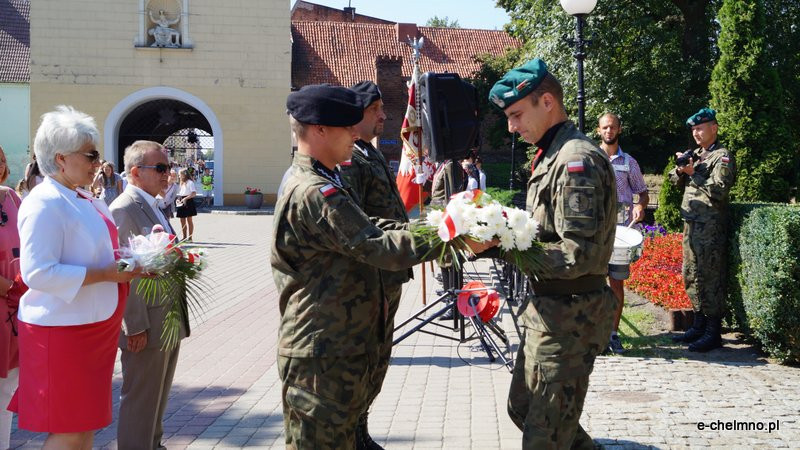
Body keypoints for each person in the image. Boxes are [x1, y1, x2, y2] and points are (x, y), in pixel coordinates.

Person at [272, 84, 494, 449]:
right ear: (319, 130)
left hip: (337, 341)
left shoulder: (327, 179)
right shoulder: (313, 191)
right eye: (345, 126)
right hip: (320, 350)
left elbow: (376, 226)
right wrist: (449, 240)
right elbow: (373, 244)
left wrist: (444, 226)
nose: (353, 132)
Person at [489, 59, 617, 448]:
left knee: (544, 436)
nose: (511, 127)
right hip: (549, 312)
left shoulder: (575, 160)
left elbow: (578, 254)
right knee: (523, 408)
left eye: (515, 115)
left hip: (571, 317)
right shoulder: (551, 155)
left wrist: (502, 247)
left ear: (547, 102)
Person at [9, 106, 141, 448]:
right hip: (62, 330)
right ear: (60, 158)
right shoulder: (44, 203)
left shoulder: (82, 197)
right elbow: (37, 272)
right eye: (91, 154)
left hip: (89, 325)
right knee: (69, 429)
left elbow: (98, 251)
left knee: (85, 425)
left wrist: (138, 258)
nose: (98, 161)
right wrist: (107, 274)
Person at [340, 81, 413, 449]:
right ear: (358, 113)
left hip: (388, 271)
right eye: (376, 109)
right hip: (372, 274)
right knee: (367, 357)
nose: (384, 115)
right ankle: (353, 433)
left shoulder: (370, 152)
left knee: (379, 355)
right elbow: (360, 221)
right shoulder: (350, 157)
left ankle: (360, 430)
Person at [110, 141, 189, 450]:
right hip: (146, 325)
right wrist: (135, 325)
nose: (167, 174)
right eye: (160, 168)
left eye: (167, 167)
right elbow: (123, 269)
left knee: (156, 399)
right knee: (140, 401)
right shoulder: (124, 208)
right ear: (135, 172)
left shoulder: (153, 204)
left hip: (166, 318)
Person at [669, 107, 736, 352]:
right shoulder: (695, 154)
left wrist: (694, 172)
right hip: (691, 223)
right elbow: (673, 181)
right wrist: (680, 169)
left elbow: (719, 189)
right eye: (694, 129)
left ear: (714, 128)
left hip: (710, 227)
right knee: (692, 274)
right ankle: (698, 325)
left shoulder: (722, 156)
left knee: (710, 277)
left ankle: (713, 332)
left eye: (700, 128)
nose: (696, 133)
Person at [597, 113, 649, 354]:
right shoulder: (591, 159)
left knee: (616, 284)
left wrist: (640, 205)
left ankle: (613, 334)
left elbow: (642, 191)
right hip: (595, 231)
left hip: (621, 233)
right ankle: (595, 334)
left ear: (619, 129)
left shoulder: (629, 162)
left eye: (613, 127)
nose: (609, 131)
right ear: (599, 130)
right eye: (605, 127)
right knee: (593, 284)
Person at [0, 145, 22, 450]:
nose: (0, 166)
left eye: (2, 160)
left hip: (14, 307)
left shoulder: (12, 197)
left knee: (7, 391)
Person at [175, 168, 197, 241]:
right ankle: (184, 237)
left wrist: (186, 198)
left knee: (189, 220)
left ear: (184, 175)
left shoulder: (190, 182)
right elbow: (181, 193)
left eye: (180, 174)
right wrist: (178, 199)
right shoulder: (181, 183)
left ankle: (190, 238)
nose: (179, 176)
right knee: (182, 220)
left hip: (188, 201)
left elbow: (194, 193)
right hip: (182, 201)